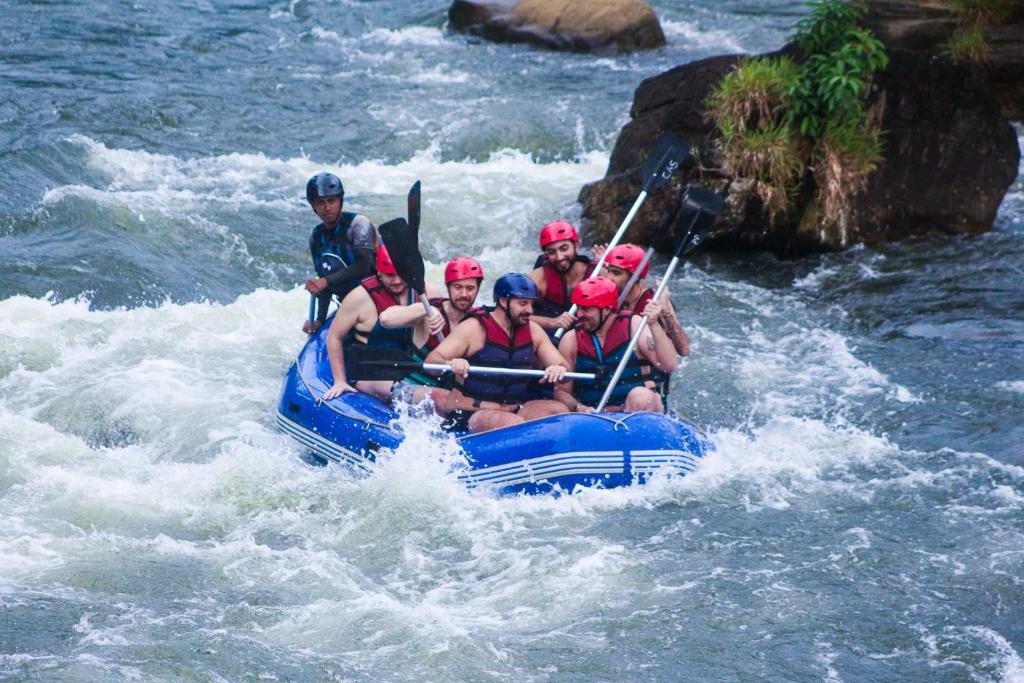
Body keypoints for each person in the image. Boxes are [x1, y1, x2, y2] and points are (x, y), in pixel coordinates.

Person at [425, 273, 570, 433]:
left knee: (559, 411)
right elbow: (431, 362)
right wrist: (450, 363)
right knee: (511, 423)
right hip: (470, 411)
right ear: (502, 301)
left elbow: (565, 371)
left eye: (531, 304)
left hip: (513, 409)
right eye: (523, 303)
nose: (529, 310)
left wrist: (559, 369)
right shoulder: (473, 328)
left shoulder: (534, 331)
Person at [555, 276, 679, 413]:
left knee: (641, 397)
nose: (579, 314)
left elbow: (669, 366)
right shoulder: (571, 340)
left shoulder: (634, 326)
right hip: (593, 416)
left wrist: (654, 324)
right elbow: (561, 391)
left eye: (585, 308)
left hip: (635, 412)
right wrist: (579, 407)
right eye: (578, 307)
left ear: (606, 309)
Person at [377, 256, 485, 403]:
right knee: (444, 399)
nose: (464, 294)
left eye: (470, 288)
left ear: (478, 289)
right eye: (457, 287)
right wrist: (427, 309)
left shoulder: (478, 321)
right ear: (448, 286)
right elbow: (385, 319)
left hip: (450, 396)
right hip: (413, 389)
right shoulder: (429, 312)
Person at [321, 246, 419, 401]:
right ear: (379, 271)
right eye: (390, 275)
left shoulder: (422, 293)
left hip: (407, 368)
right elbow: (334, 337)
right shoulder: (358, 298)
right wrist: (340, 381)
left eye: (401, 274)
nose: (397, 280)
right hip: (371, 371)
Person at [302, 172, 378, 335]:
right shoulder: (316, 237)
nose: (327, 208)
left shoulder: (358, 224)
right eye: (320, 203)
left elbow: (364, 265)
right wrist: (320, 320)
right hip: (347, 306)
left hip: (375, 300)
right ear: (313, 207)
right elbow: (324, 281)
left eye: (332, 201)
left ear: (340, 201)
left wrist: (325, 281)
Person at [603, 243, 690, 358]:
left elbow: (684, 350)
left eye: (616, 273)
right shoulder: (605, 295)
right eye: (608, 271)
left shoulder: (654, 299)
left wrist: (666, 311)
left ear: (635, 276)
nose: (608, 278)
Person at [528, 220, 596, 334]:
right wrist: (551, 322)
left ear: (576, 246)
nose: (559, 257)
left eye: (564, 248)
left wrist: (607, 270)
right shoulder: (538, 278)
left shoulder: (596, 274)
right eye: (551, 252)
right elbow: (512, 314)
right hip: (546, 336)